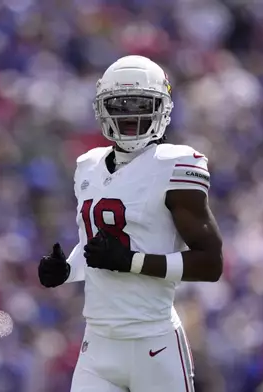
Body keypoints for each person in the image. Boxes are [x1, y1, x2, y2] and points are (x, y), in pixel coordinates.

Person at [37, 55, 224, 392]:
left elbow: (210, 263)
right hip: (98, 344)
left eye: (141, 104)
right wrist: (67, 270)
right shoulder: (89, 165)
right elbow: (98, 247)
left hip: (154, 343)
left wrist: (131, 262)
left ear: (163, 108)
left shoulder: (176, 164)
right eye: (120, 105)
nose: (131, 115)